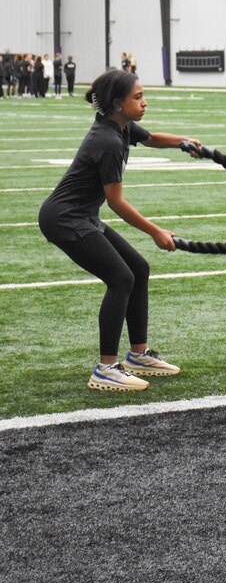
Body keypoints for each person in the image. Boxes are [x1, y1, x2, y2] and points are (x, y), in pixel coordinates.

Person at [37, 69, 203, 392]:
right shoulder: (108, 141)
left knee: (138, 269)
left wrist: (184, 142)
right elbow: (116, 202)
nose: (145, 102)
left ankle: (139, 355)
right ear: (118, 103)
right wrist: (155, 231)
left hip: (83, 215)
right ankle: (106, 368)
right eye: (137, 97)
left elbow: (151, 138)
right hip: (64, 218)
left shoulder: (121, 126)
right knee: (121, 278)